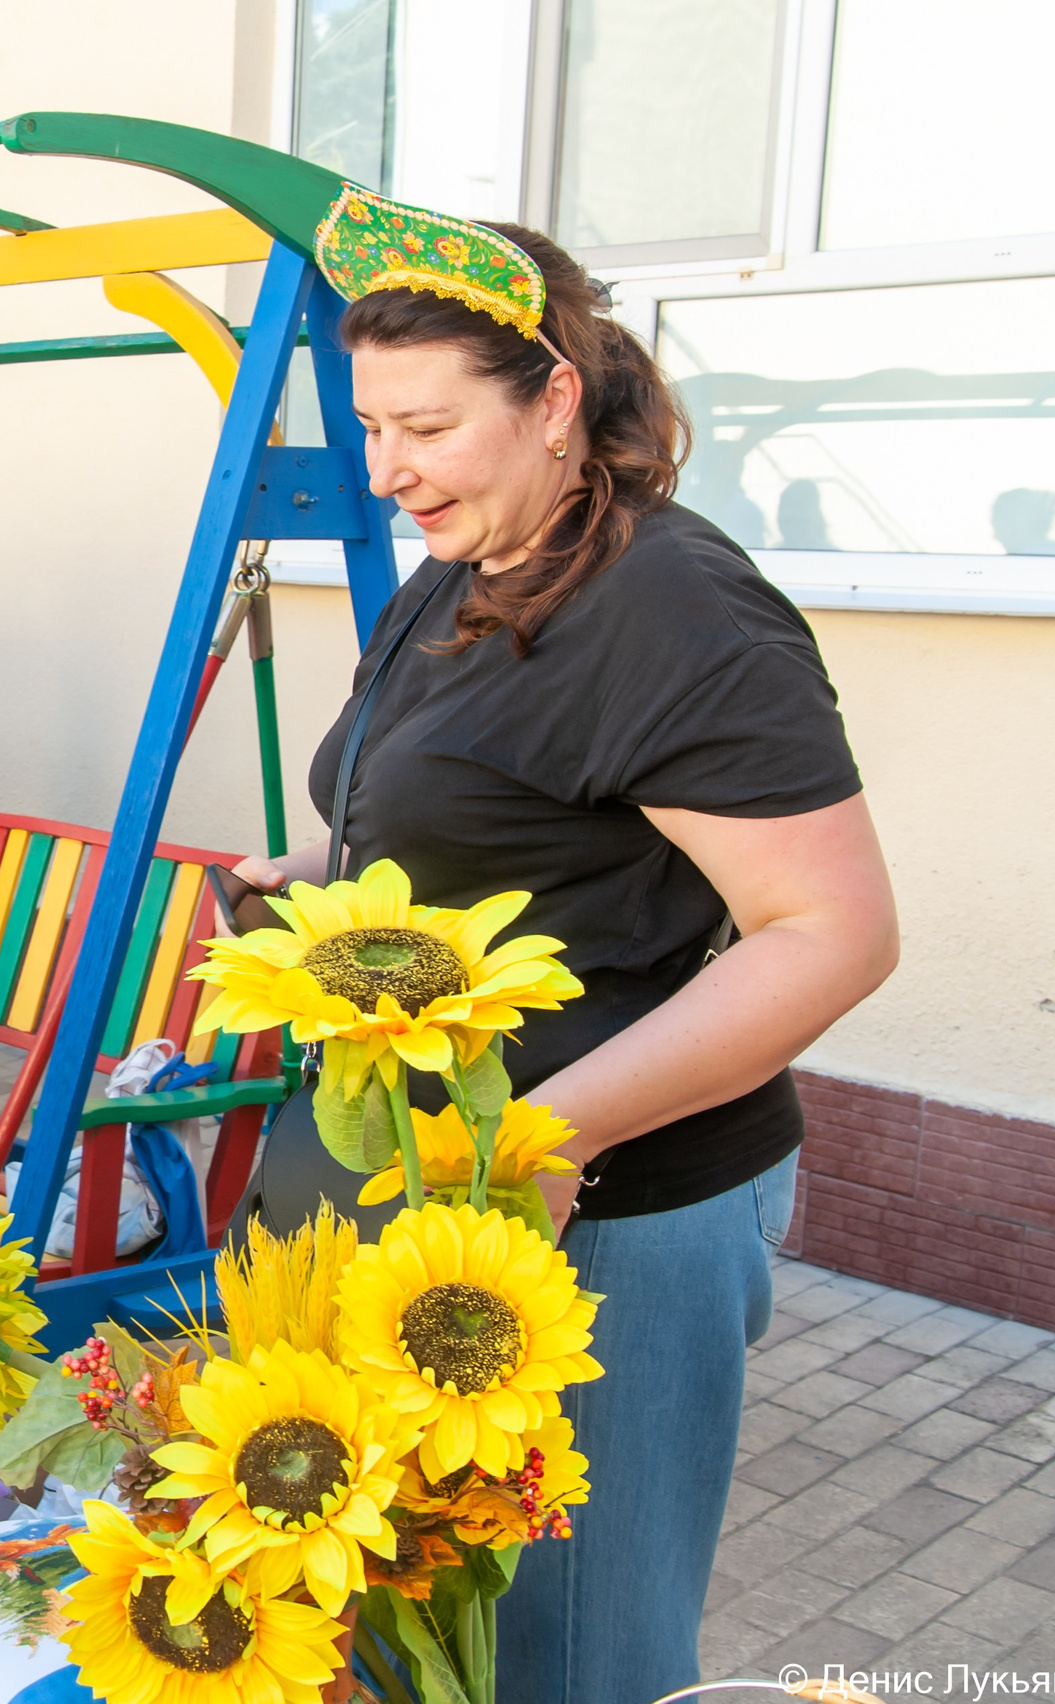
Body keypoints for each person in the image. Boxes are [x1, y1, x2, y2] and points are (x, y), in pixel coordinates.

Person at [228, 214, 898, 1704]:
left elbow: (834, 933)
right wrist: (329, 888)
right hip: (437, 1194)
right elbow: (483, 831)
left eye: (427, 426)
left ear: (551, 403)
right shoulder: (455, 571)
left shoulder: (675, 606)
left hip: (609, 1212)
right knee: (414, 1630)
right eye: (369, 427)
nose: (388, 468)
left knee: (567, 1654)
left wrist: (548, 1132)